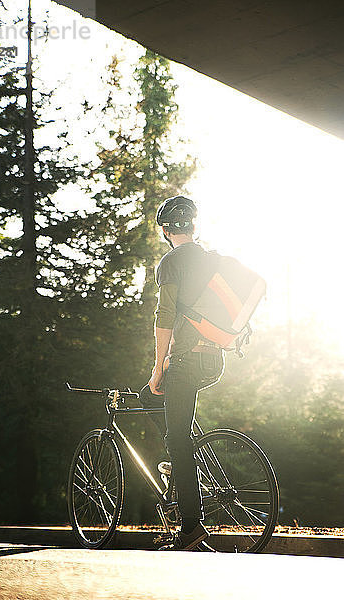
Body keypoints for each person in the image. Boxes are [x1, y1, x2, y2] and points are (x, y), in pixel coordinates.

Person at [140, 195, 225, 551]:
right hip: (214, 359)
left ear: (165, 230)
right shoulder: (211, 260)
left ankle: (191, 529)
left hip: (187, 359)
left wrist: (159, 366)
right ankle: (182, 461)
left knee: (174, 434)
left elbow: (165, 316)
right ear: (193, 226)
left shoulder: (171, 261)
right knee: (153, 404)